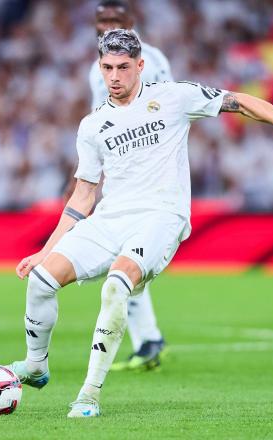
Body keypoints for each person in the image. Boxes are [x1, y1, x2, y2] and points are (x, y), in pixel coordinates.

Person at [8, 29, 273, 418]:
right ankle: (36, 366)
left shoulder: (172, 97)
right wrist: (46, 250)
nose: (115, 76)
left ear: (140, 66)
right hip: (111, 217)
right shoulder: (92, 125)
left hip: (161, 216)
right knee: (41, 281)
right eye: (107, 68)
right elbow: (84, 195)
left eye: (123, 67)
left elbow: (238, 100)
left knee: (117, 284)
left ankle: (89, 394)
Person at [89, 0, 173, 372]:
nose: (107, 25)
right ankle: (149, 340)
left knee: (124, 258)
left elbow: (160, 113)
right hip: (124, 170)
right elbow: (100, 124)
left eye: (115, 20)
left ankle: (148, 340)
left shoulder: (144, 63)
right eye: (102, 19)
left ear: (131, 23)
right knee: (126, 257)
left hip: (143, 173)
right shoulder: (103, 66)